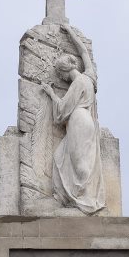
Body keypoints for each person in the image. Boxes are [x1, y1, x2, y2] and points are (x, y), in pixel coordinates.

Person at [41, 23, 105, 214]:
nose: (61, 78)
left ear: (64, 71)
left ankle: (83, 200)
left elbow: (61, 113)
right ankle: (74, 196)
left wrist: (51, 93)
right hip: (87, 122)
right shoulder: (90, 76)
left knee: (79, 163)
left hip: (78, 121)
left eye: (60, 74)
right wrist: (71, 34)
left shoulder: (77, 84)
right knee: (61, 155)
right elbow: (84, 52)